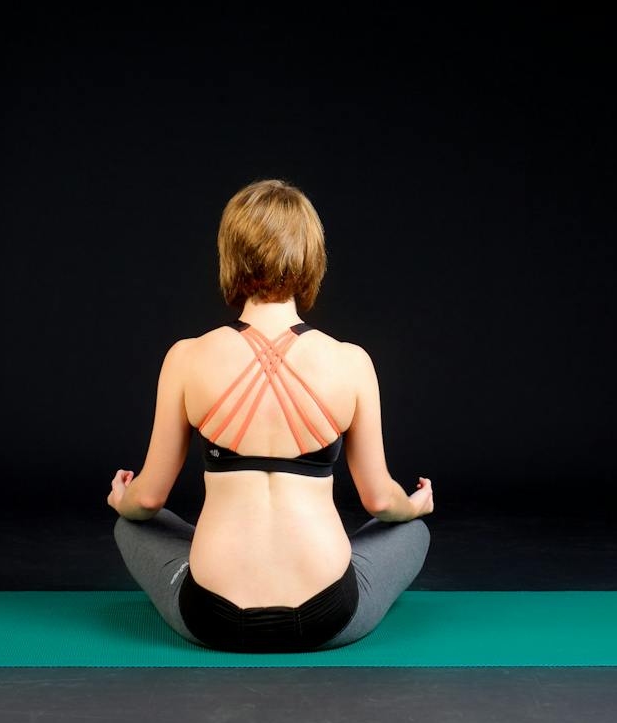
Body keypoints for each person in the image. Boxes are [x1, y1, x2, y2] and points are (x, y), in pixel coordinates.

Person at [109, 178, 433, 652]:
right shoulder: (351, 361)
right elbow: (381, 501)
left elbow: (149, 498)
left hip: (211, 614)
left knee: (130, 524)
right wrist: (416, 506)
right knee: (411, 531)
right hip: (328, 613)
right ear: (310, 258)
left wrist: (122, 499)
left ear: (230, 256)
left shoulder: (186, 357)